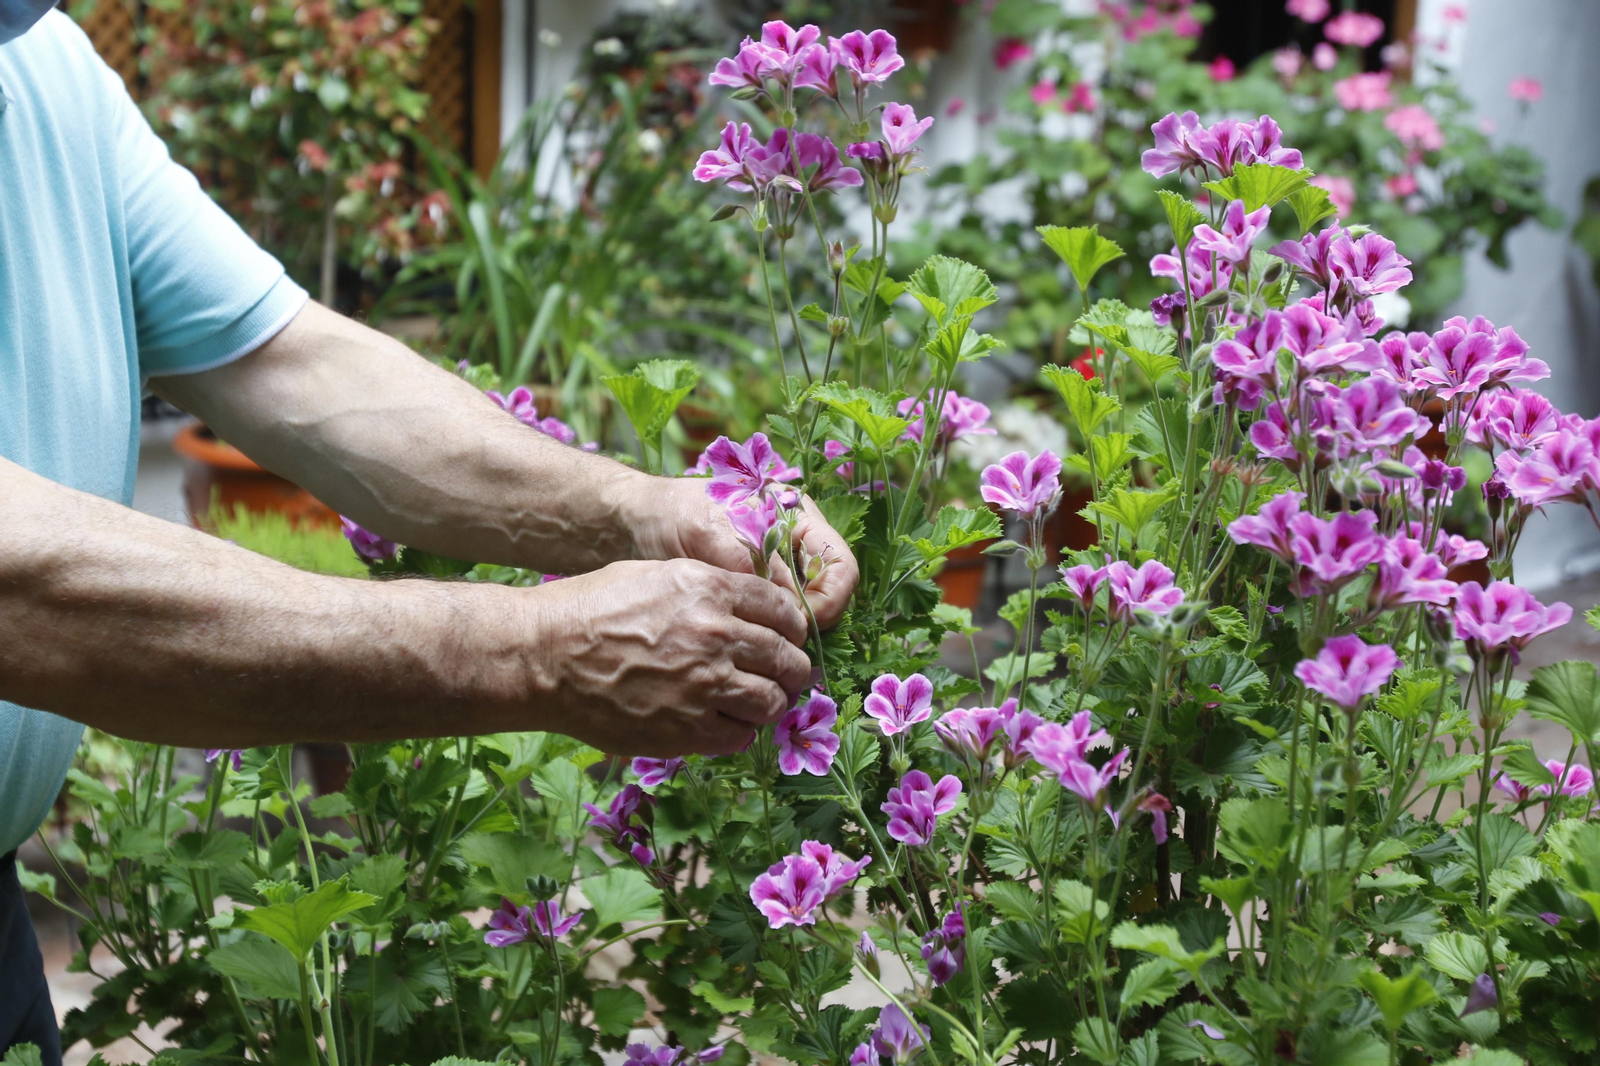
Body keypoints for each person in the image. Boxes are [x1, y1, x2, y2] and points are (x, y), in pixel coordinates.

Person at [0, 7, 859, 1061]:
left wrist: (646, 510)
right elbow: (22, 583)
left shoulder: (41, 62)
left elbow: (290, 367)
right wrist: (539, 648)